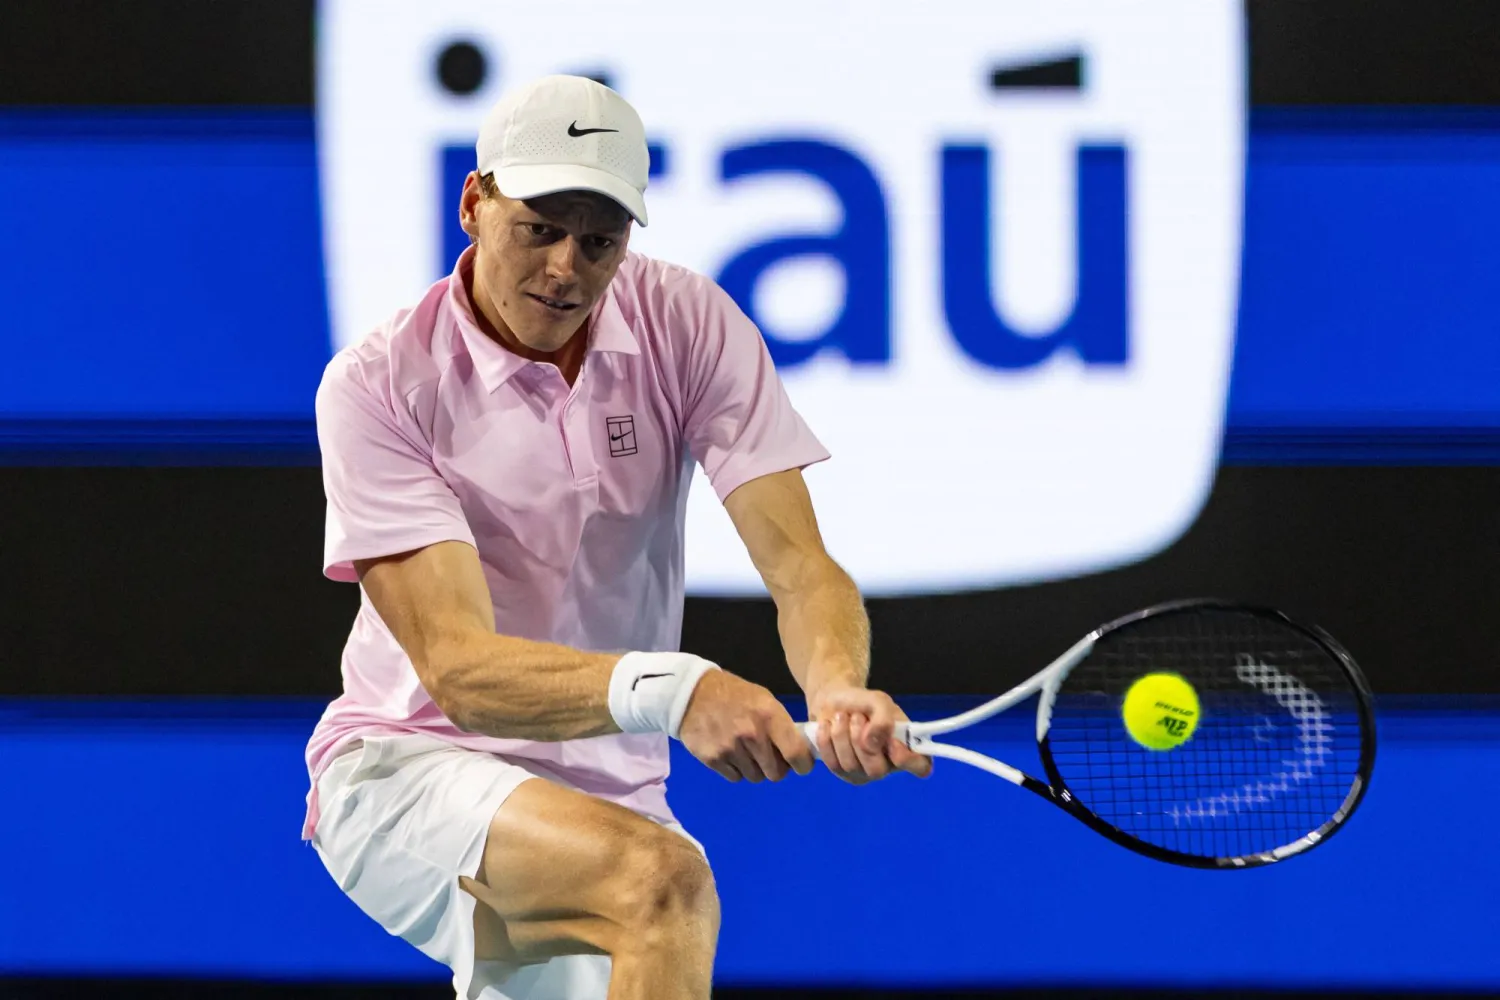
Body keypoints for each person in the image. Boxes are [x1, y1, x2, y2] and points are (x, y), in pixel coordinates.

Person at [302, 74, 930, 1000]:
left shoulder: (689, 323)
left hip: (611, 791)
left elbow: (801, 569)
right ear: (474, 203)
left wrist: (836, 687)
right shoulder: (378, 385)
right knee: (661, 882)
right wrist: (677, 691)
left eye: (598, 241)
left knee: (656, 883)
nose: (566, 268)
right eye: (539, 228)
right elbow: (460, 670)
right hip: (408, 765)